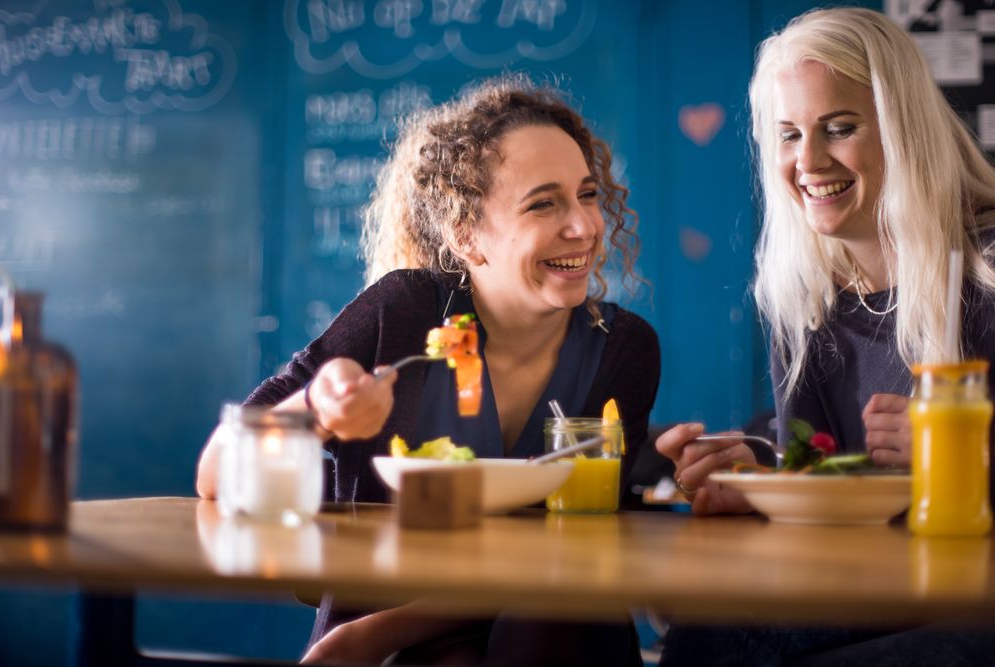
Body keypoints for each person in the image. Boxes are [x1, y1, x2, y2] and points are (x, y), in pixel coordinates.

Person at [196, 74, 660, 666]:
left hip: (539, 633)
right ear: (466, 236)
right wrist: (316, 410)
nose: (584, 226)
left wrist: (378, 633)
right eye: (544, 203)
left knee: (549, 615)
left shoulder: (623, 348)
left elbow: (573, 553)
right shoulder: (403, 313)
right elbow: (216, 475)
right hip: (397, 632)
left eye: (587, 195)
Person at [655, 7, 995, 664]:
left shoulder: (986, 267)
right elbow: (826, 470)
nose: (807, 161)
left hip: (975, 593)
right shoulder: (806, 293)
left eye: (839, 128)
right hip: (876, 581)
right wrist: (761, 472)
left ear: (903, 129)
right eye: (788, 135)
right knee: (707, 627)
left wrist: (969, 453)